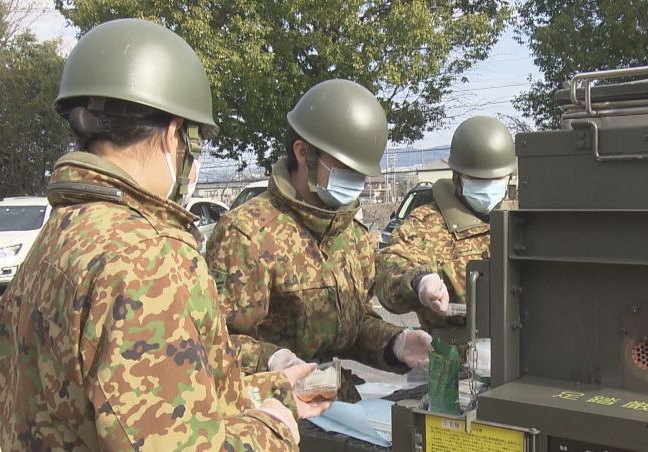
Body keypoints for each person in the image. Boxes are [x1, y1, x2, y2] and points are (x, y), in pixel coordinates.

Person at [0, 19, 328, 452]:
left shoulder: (63, 234)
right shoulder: (146, 255)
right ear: (173, 134)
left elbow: (128, 402)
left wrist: (276, 389)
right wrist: (276, 434)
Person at [206, 79, 432, 388]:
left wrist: (395, 343)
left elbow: (353, 327)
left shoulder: (351, 235)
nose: (355, 182)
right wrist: (271, 359)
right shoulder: (246, 234)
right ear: (303, 153)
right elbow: (213, 340)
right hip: (270, 414)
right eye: (345, 169)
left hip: (335, 405)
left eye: (360, 174)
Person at [375, 116, 516, 345]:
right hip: (452, 365)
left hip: (520, 357)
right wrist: (420, 280)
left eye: (496, 178)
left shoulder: (521, 218)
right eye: (477, 178)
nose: (488, 186)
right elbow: (390, 269)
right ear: (458, 176)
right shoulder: (427, 224)